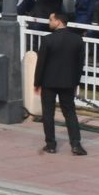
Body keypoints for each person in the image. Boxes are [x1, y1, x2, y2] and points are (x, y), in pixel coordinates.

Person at [33, 9, 87, 155]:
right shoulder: (77, 40)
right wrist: (75, 82)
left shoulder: (48, 39)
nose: (49, 22)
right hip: (68, 82)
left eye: (51, 20)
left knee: (48, 113)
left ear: (58, 21)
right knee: (70, 113)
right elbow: (79, 64)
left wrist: (37, 83)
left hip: (48, 82)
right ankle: (76, 144)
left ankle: (50, 144)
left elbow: (41, 63)